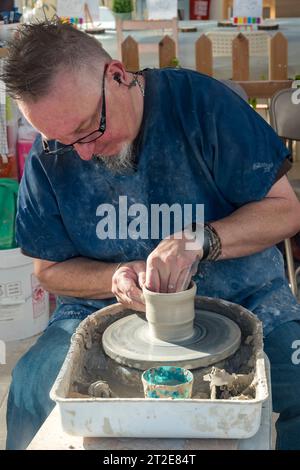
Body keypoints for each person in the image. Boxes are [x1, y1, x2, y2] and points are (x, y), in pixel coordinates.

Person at [1, 20, 300, 450]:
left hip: (245, 296)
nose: (81, 152)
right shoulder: (51, 157)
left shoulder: (203, 106)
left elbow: (286, 212)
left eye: (88, 128)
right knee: (30, 386)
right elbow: (48, 270)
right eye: (62, 140)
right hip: (100, 310)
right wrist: (113, 275)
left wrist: (201, 240)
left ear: (119, 76)